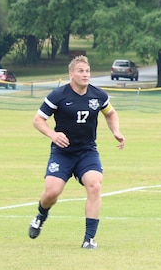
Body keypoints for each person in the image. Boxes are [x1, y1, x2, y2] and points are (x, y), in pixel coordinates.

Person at [27, 55, 125, 249]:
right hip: (62, 152)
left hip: (87, 151)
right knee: (51, 193)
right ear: (71, 74)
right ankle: (41, 216)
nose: (85, 74)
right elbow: (38, 120)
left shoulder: (98, 96)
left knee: (95, 185)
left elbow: (111, 113)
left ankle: (89, 239)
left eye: (87, 71)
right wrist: (53, 135)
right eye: (80, 71)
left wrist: (116, 131)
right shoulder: (58, 95)